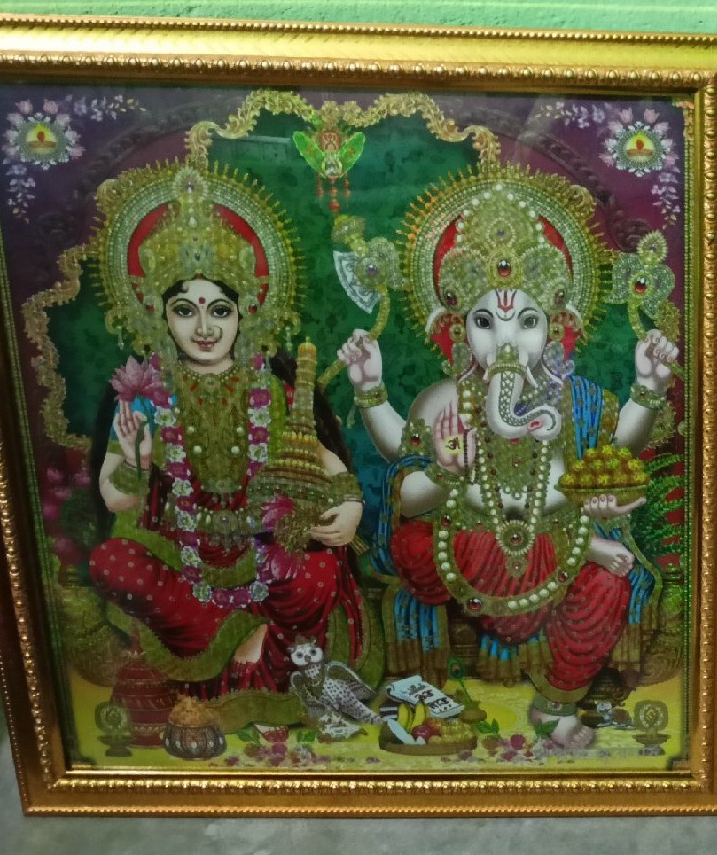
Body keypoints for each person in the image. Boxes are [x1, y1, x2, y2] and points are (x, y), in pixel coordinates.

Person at [338, 166, 677, 748]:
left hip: (558, 536)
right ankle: (433, 694)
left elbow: (618, 452)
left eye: (527, 321)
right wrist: (374, 394)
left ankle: (556, 703)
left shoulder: (575, 400)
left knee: (609, 586)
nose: (506, 340)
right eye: (484, 321)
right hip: (467, 542)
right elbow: (404, 474)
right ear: (457, 330)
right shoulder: (444, 399)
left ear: (555, 329)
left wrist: (648, 386)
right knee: (416, 544)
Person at [89, 166, 373, 711]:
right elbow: (115, 499)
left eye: (220, 310)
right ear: (158, 314)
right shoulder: (144, 392)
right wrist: (134, 462)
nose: (204, 328)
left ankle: (259, 630)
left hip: (267, 547)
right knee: (111, 562)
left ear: (246, 312)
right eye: (185, 310)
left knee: (317, 573)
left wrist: (351, 507)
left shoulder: (271, 387)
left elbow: (325, 460)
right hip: (181, 552)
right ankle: (237, 632)